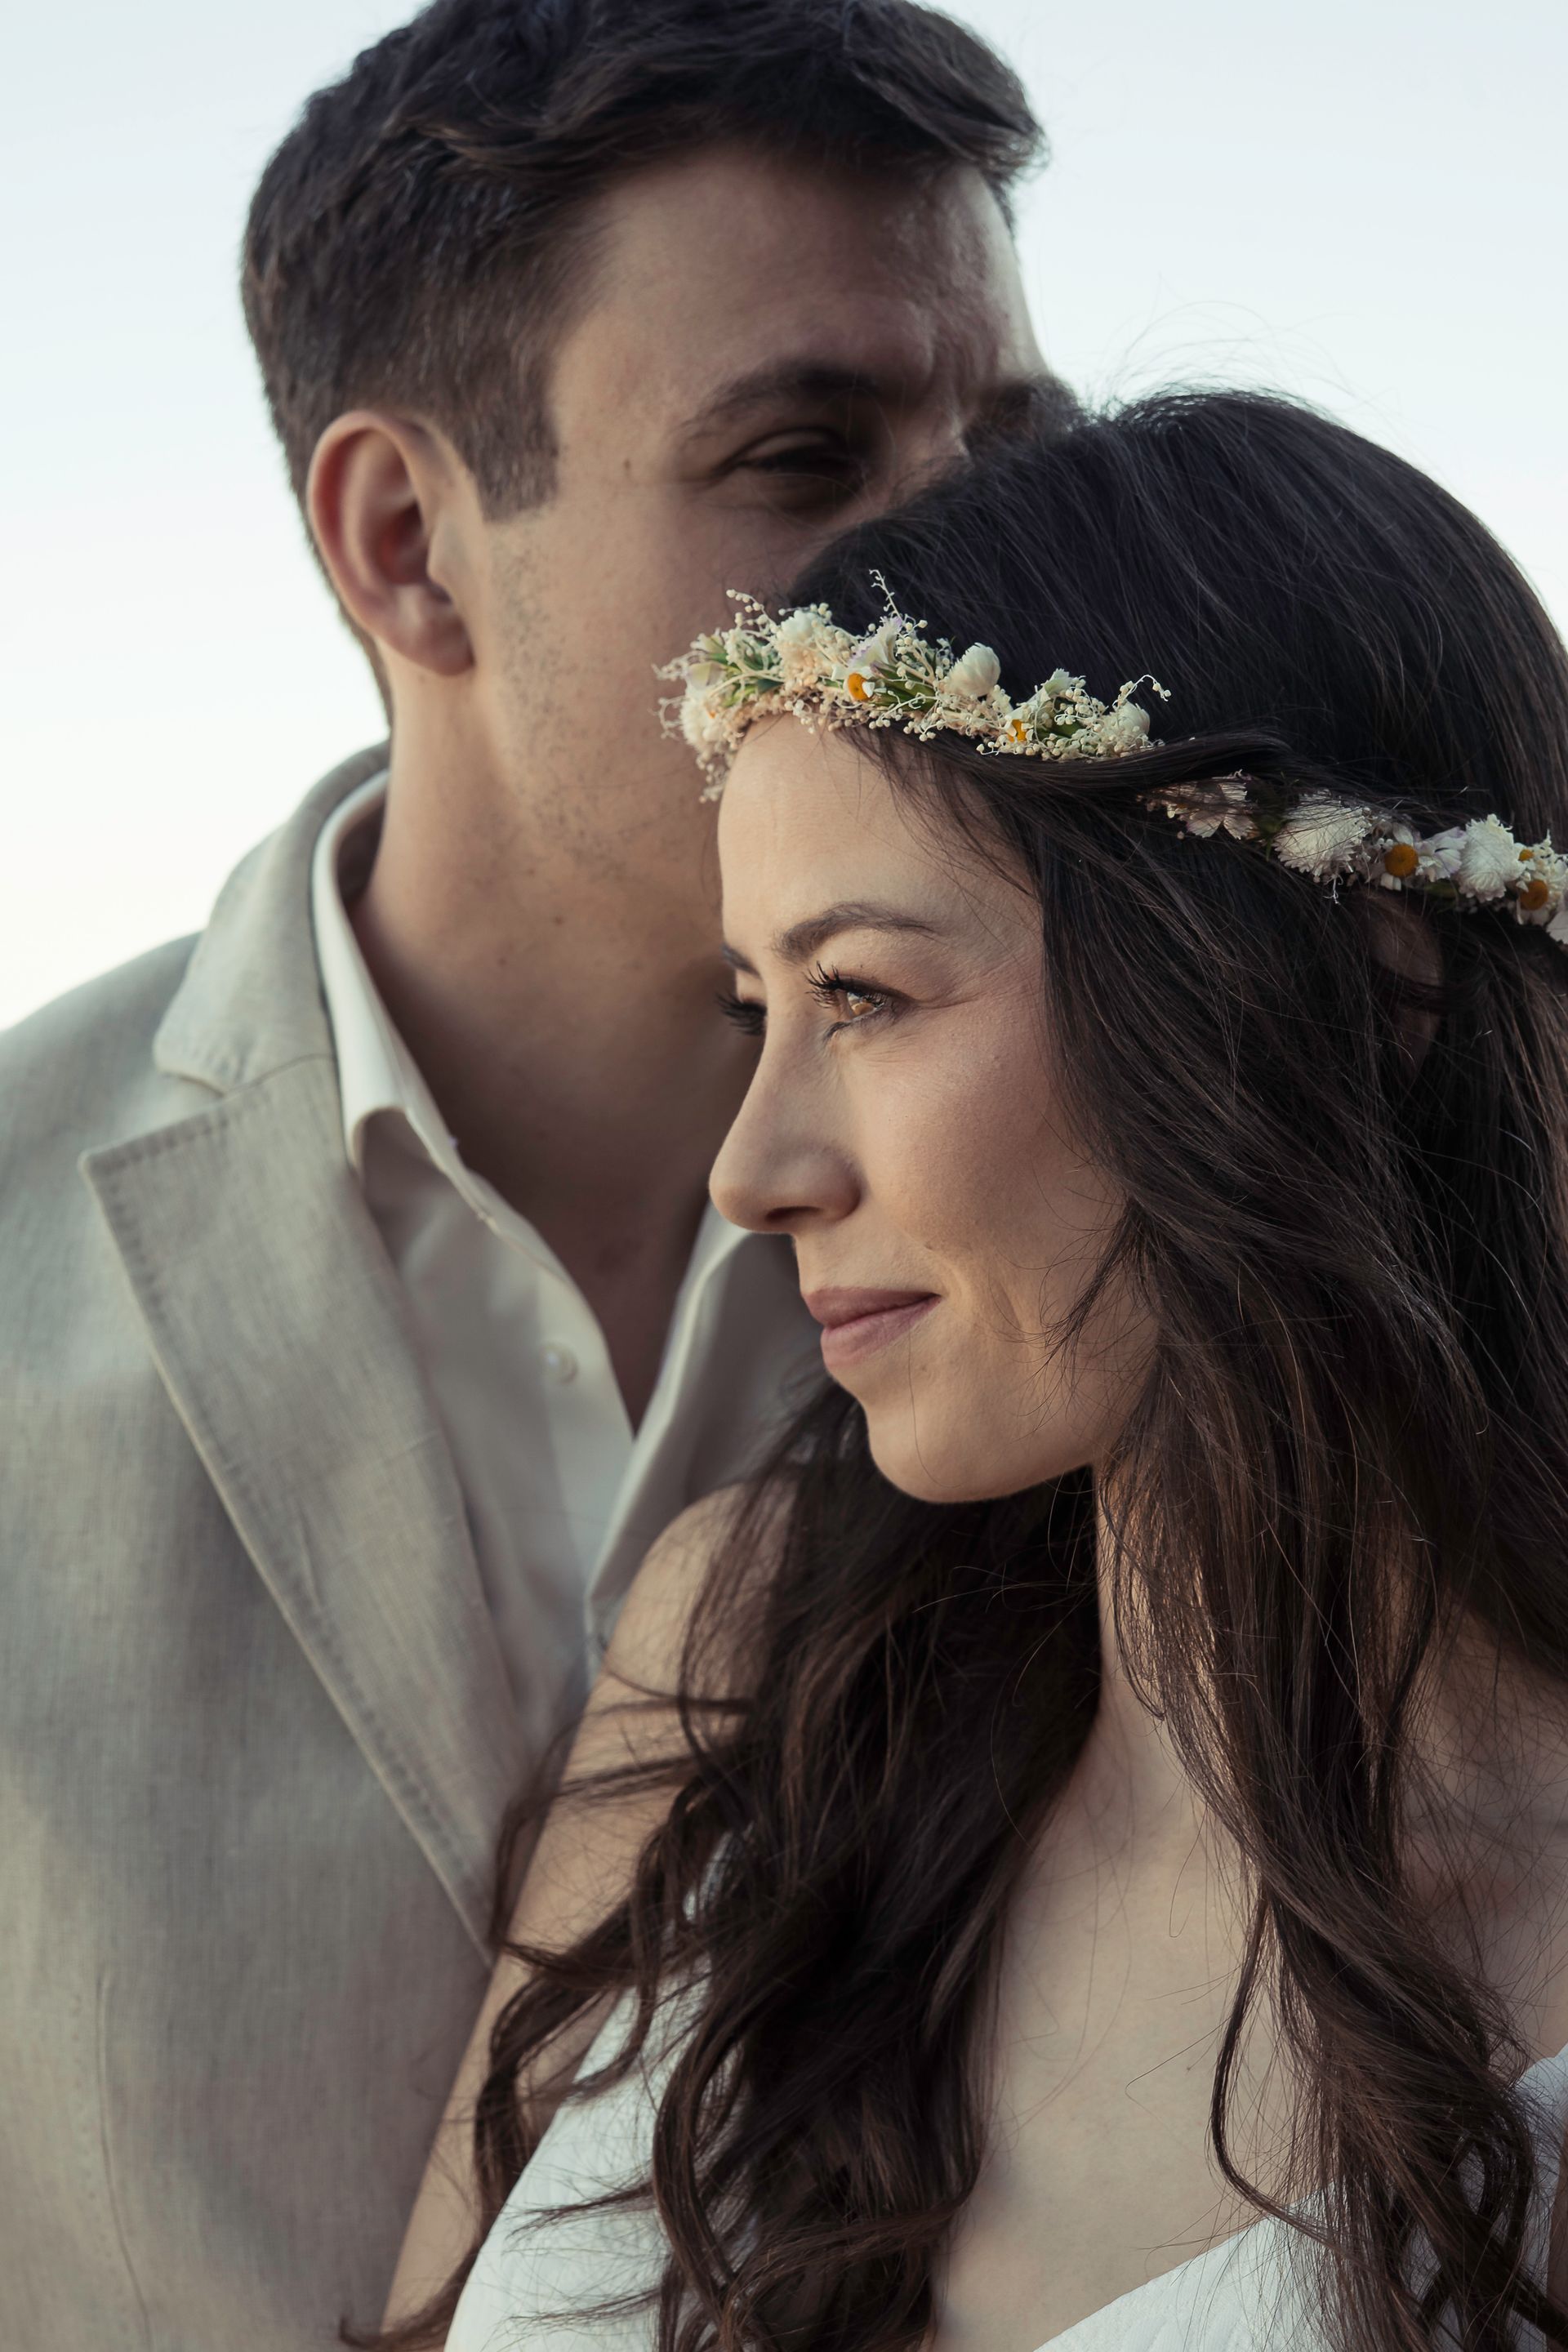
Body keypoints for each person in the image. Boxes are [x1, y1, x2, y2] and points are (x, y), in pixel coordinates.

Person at [0, 2, 1060, 2344]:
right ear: (409, 547)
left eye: (1011, 445)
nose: (968, 570)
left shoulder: (1153, 1252)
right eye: (804, 458)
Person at [390, 391, 1568, 2352]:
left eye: (862, 994)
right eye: (757, 1009)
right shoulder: (752, 1665)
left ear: (1366, 990)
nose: (752, 1171)